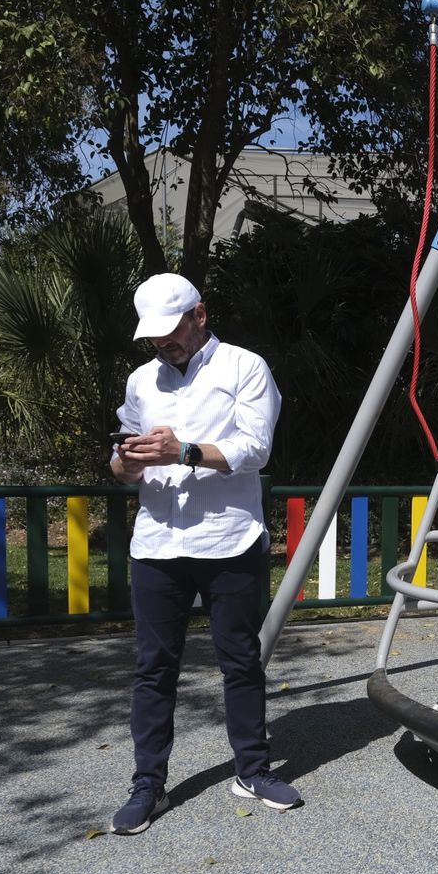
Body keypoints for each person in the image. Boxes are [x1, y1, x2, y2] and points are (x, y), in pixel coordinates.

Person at [107, 272, 297, 834]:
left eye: (171, 332)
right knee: (153, 668)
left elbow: (255, 450)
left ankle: (253, 770)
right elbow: (121, 461)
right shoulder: (142, 381)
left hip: (229, 538)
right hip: (158, 542)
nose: (163, 344)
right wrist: (126, 463)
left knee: (239, 659)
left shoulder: (245, 367)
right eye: (154, 337)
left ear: (200, 315)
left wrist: (184, 450)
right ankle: (148, 785)